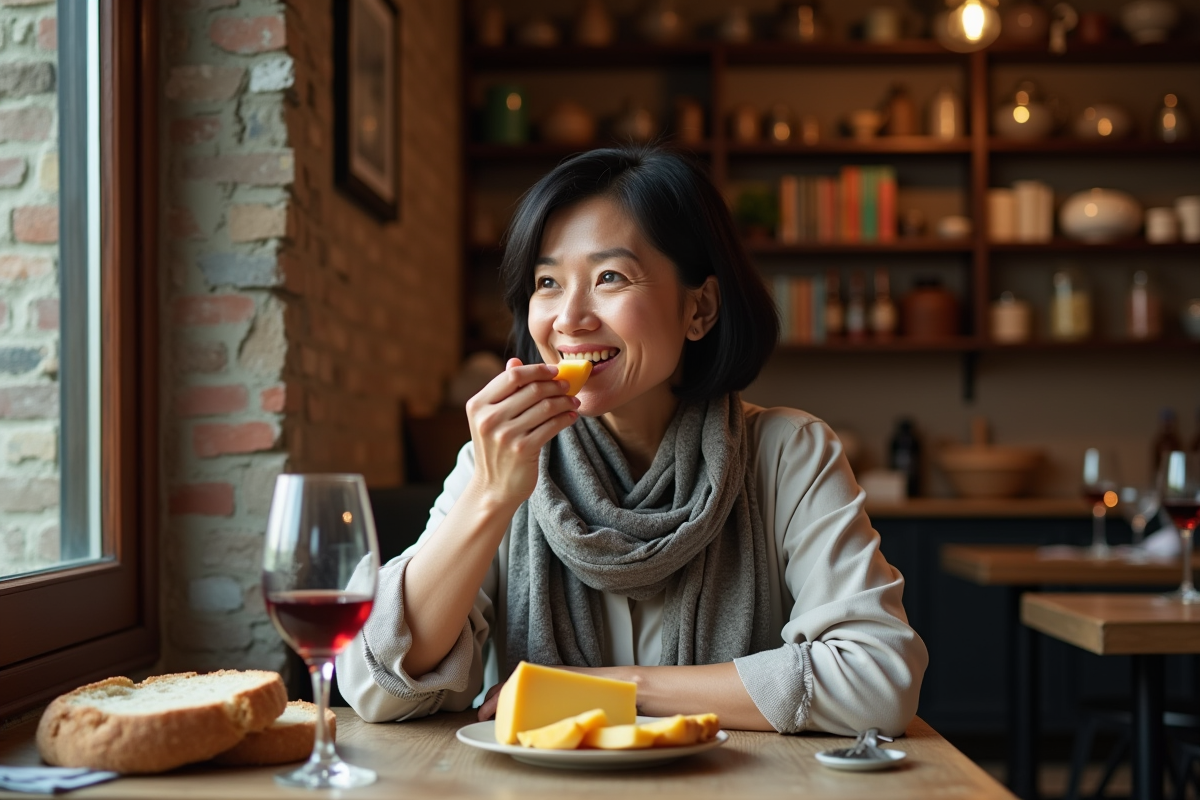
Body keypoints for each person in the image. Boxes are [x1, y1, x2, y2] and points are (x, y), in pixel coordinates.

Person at [337, 146, 928, 736]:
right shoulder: (501, 459)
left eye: (610, 277)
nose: (569, 318)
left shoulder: (787, 453)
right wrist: (492, 495)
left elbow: (877, 679)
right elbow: (373, 684)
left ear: (700, 308)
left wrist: (621, 688)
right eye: (547, 281)